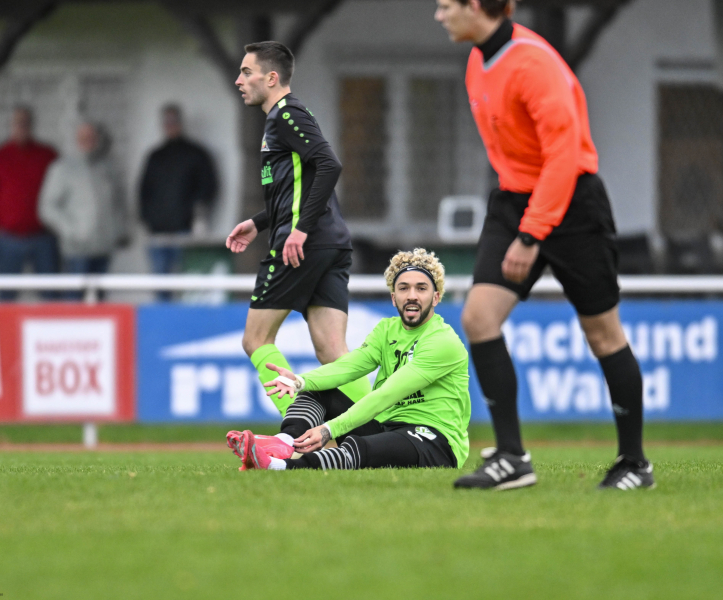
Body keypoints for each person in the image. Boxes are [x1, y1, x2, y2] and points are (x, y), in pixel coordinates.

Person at [434, 0, 654, 490]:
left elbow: (563, 156)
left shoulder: (533, 63)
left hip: (573, 204)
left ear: (475, 7)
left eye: (446, 5)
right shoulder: (477, 59)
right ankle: (512, 458)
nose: (439, 15)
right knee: (478, 318)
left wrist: (533, 234)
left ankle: (634, 463)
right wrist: (519, 220)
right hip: (514, 201)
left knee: (603, 335)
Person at [227, 249, 471, 472]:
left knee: (360, 448)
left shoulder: (443, 341)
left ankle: (279, 467)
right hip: (388, 427)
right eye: (404, 288)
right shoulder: (386, 329)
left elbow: (387, 394)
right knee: (317, 391)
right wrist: (301, 381)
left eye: (421, 288)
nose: (412, 296)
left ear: (436, 297)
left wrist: (329, 429)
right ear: (393, 298)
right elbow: (350, 365)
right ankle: (285, 442)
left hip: (434, 439)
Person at [227, 41, 371, 416]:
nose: (239, 80)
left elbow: (329, 165)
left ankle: (304, 428)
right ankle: (376, 430)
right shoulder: (282, 118)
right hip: (329, 243)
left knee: (256, 339)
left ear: (272, 78)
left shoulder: (287, 115)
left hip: (302, 245)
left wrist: (300, 230)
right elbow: (298, 185)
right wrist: (259, 223)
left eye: (247, 72)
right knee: (332, 351)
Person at [38, 121, 130, 299]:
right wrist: (71, 230)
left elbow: (119, 202)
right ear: (76, 140)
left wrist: (119, 231)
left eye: (92, 137)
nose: (88, 141)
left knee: (100, 300)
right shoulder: (62, 168)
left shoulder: (108, 167)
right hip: (77, 250)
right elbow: (47, 207)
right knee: (75, 300)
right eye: (83, 137)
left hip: (104, 247)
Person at [0, 106, 59, 300]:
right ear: (11, 126)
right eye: (18, 123)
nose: (22, 127)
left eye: (26, 123)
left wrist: (57, 225)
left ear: (32, 125)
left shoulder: (47, 155)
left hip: (42, 236)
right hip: (8, 238)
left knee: (51, 293)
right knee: (6, 294)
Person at [140, 104, 218, 300]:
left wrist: (195, 217)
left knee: (187, 285)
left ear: (180, 123)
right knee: (161, 285)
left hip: (185, 232)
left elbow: (208, 188)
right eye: (167, 122)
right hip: (158, 232)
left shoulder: (196, 154)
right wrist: (148, 219)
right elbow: (143, 192)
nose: (170, 125)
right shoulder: (155, 156)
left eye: (173, 121)